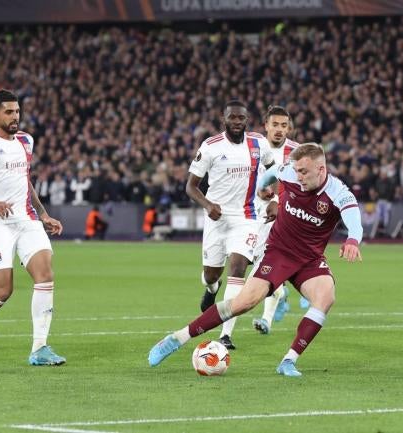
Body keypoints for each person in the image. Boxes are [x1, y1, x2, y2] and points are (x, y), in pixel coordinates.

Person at [148, 143, 363, 377]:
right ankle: (177, 338)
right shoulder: (288, 172)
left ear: (321, 170)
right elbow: (272, 173)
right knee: (243, 303)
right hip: (278, 252)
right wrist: (262, 187)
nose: (298, 176)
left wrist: (352, 240)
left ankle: (288, 361)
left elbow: (354, 218)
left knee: (326, 297)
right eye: (296, 170)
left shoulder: (338, 192)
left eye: (304, 172)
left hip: (310, 259)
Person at [0, 89, 66, 366]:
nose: (15, 116)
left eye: (17, 111)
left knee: (45, 275)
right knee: (3, 291)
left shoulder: (25, 141)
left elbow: (25, 180)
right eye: (9, 112)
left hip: (27, 219)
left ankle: (39, 348)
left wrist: (43, 214)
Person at [187, 100, 275, 350]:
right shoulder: (211, 146)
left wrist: (275, 198)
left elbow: (275, 170)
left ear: (247, 120)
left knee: (237, 269)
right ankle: (212, 288)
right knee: (211, 274)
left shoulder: (259, 143)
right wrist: (207, 205)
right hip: (217, 219)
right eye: (232, 118)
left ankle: (225, 335)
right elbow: (190, 187)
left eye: (241, 118)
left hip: (246, 218)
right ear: (223, 119)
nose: (237, 122)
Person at [251, 105, 300, 335]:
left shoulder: (297, 152)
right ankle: (279, 292)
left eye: (284, 125)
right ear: (266, 126)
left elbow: (302, 187)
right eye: (275, 125)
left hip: (283, 215)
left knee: (266, 263)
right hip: (251, 213)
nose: (280, 130)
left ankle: (266, 320)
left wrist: (280, 204)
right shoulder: (253, 146)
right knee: (256, 262)